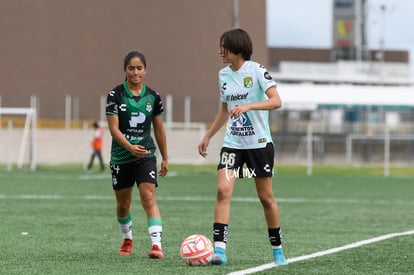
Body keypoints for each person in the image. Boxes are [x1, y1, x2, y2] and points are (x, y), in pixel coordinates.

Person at [197, 28, 288, 266]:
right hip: (232, 145)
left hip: (259, 145)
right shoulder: (223, 75)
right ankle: (219, 251)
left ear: (236, 47)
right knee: (222, 191)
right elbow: (224, 110)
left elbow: (277, 101)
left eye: (223, 46)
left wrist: (249, 107)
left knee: (266, 198)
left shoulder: (257, 70)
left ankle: (277, 249)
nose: (220, 51)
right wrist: (208, 135)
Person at [106, 51, 168, 259]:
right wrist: (130, 147)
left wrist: (165, 157)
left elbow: (159, 130)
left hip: (146, 155)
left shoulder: (154, 96)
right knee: (123, 205)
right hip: (121, 156)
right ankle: (127, 238)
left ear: (145, 70)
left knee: (148, 197)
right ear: (125, 70)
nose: (135, 72)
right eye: (131, 68)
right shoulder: (115, 95)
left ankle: (156, 245)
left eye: (139, 68)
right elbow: (114, 129)